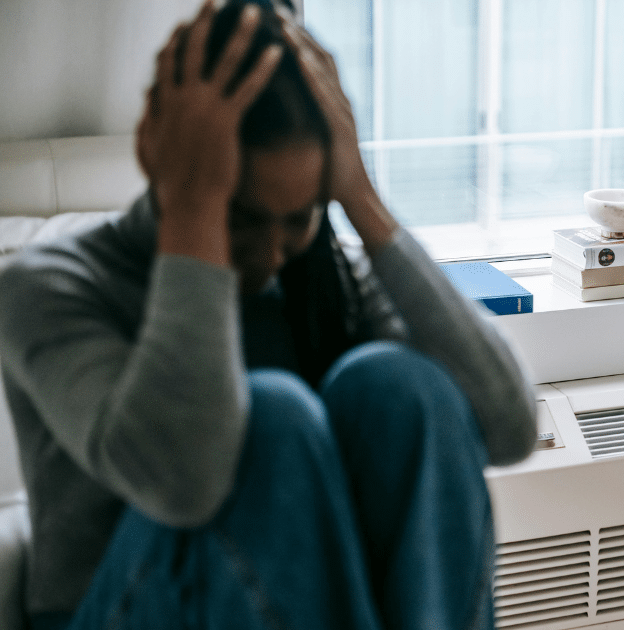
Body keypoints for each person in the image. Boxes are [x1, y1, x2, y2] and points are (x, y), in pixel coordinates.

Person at [0, 1, 536, 628]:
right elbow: (182, 482)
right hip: (114, 608)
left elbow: (509, 429)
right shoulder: (50, 286)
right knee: (272, 415)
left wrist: (362, 202)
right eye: (245, 217)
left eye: (300, 217)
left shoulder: (319, 280)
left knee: (402, 386)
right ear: (158, 150)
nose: (273, 254)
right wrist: (195, 213)